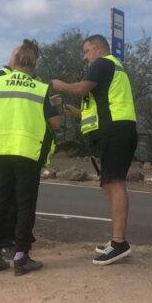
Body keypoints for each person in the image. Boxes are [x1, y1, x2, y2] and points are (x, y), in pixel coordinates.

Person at [0, 40, 61, 276]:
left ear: (15, 59)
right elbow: (55, 123)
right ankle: (21, 258)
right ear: (34, 63)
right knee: (25, 205)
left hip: (0, 150)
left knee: (0, 203)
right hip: (26, 152)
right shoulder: (39, 88)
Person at [51, 34, 138, 266]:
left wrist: (60, 85)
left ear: (98, 48)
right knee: (109, 185)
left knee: (116, 183)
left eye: (87, 51)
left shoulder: (104, 62)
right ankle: (116, 240)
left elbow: (81, 88)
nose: (85, 56)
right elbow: (99, 104)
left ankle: (120, 242)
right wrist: (78, 113)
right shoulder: (112, 68)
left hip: (116, 131)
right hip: (116, 130)